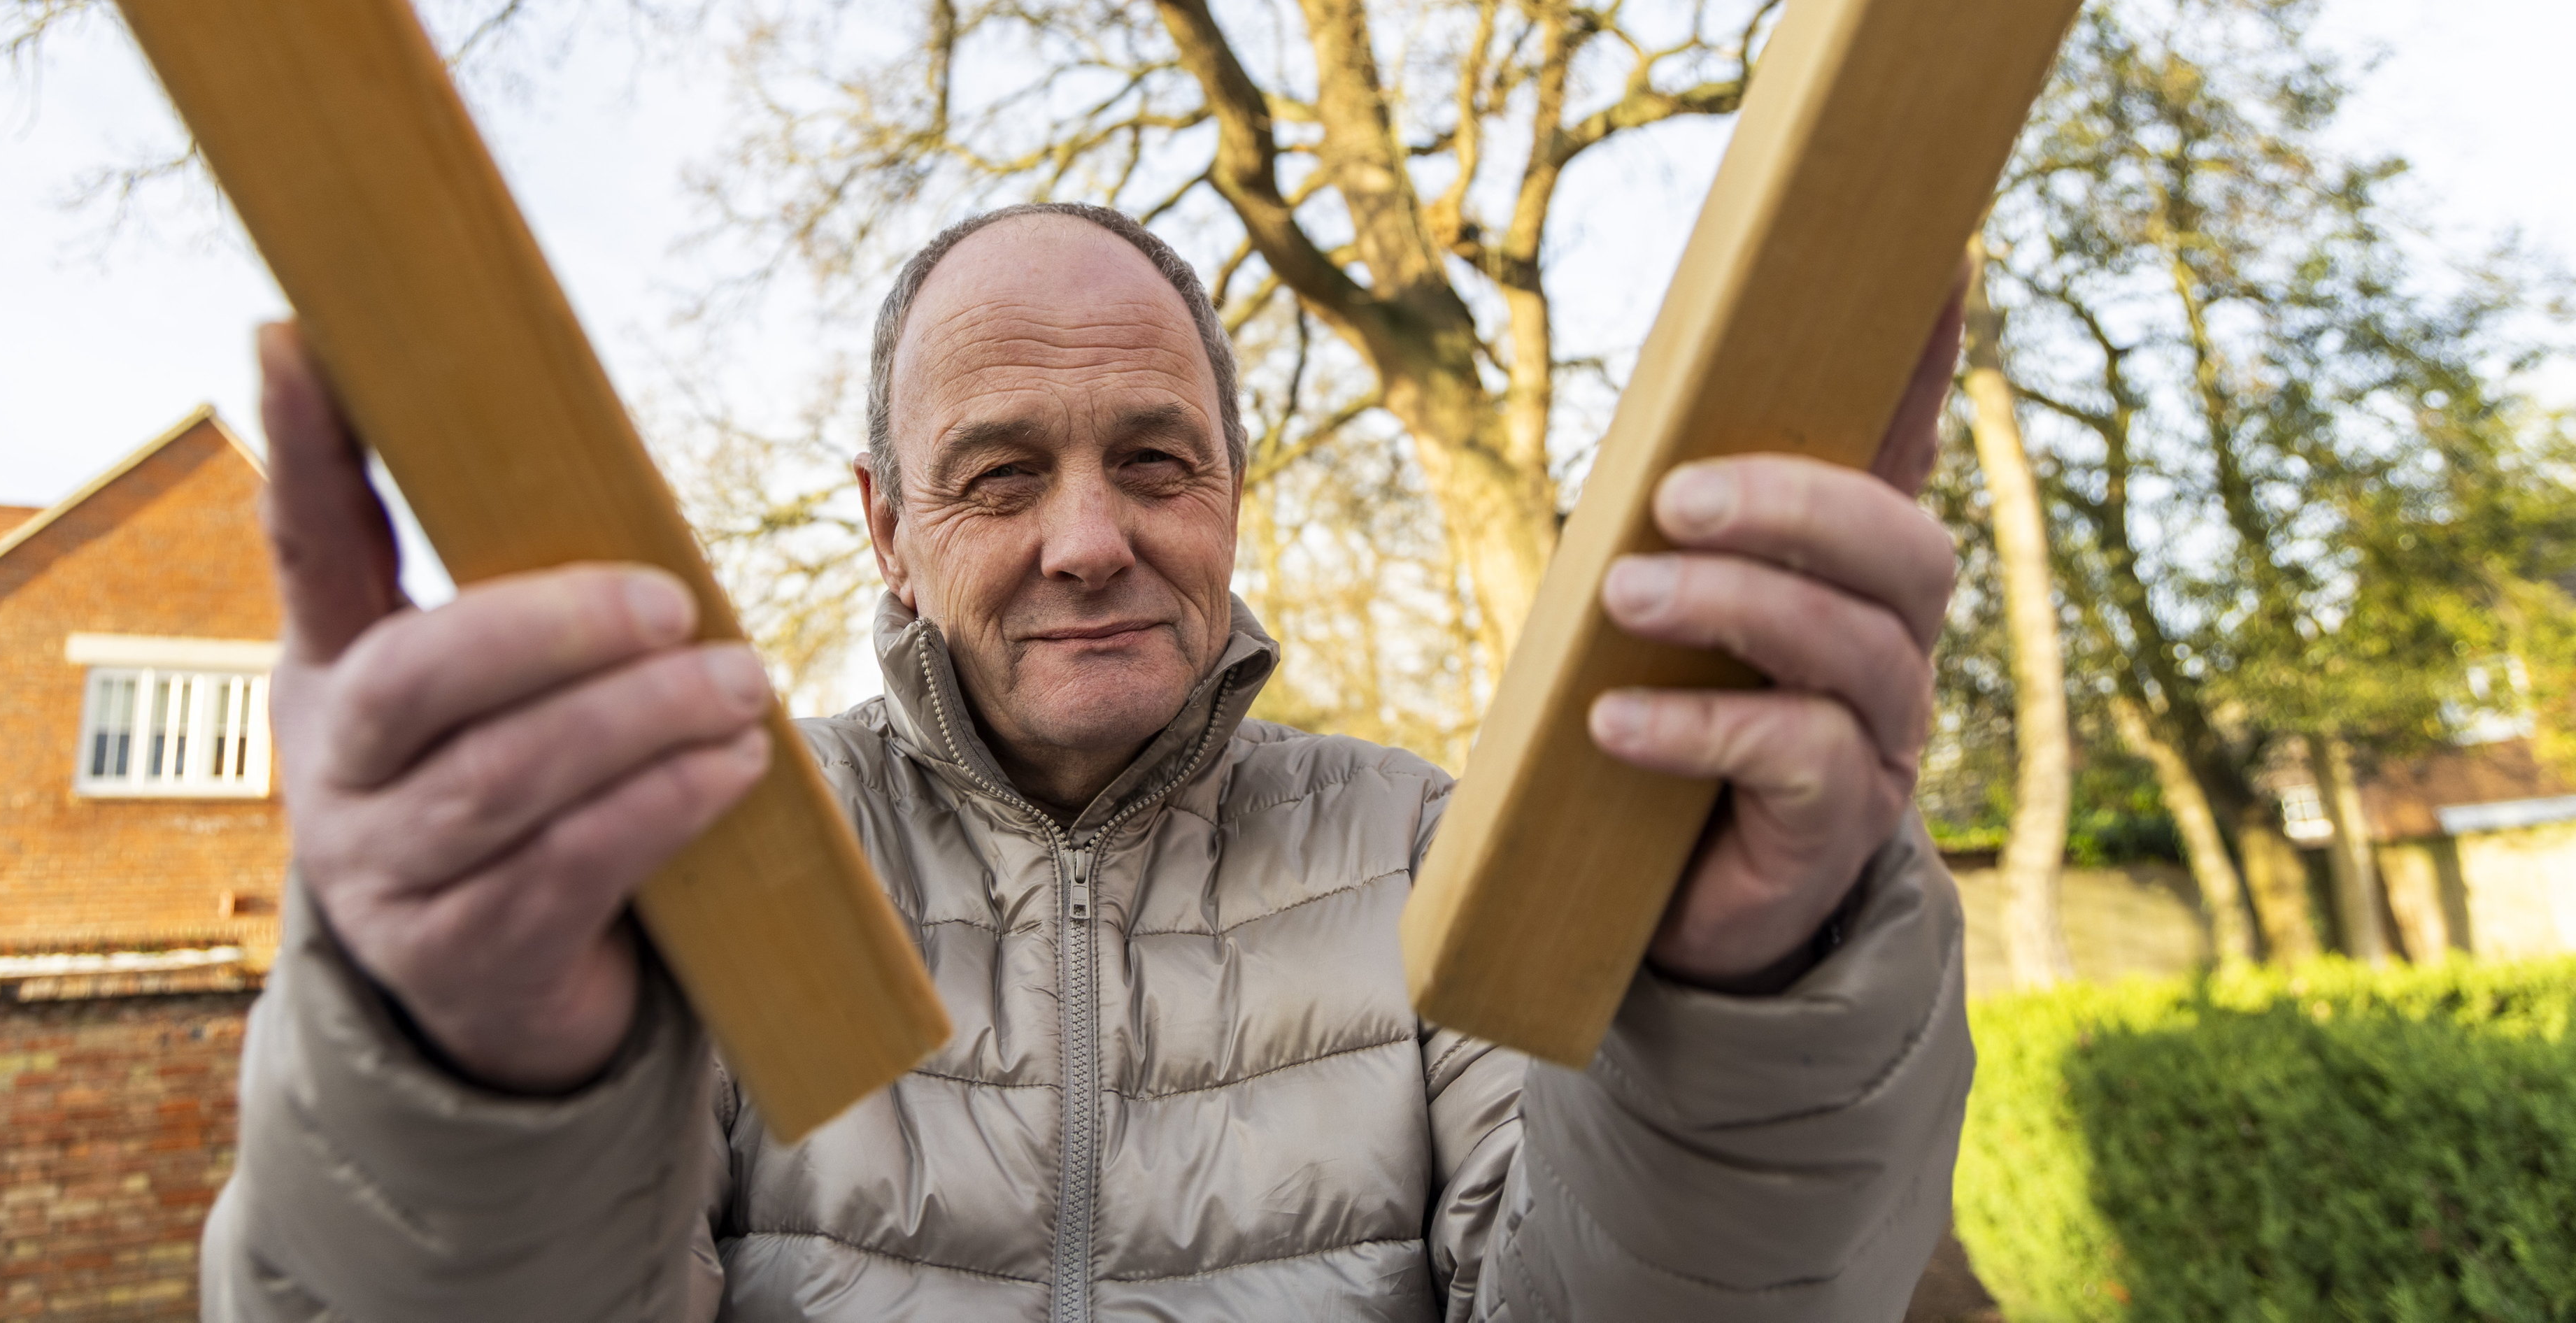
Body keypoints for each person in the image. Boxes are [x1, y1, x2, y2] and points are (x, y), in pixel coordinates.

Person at [201, 202, 1971, 1322]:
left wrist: (1752, 1005)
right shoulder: (714, 853)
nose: (1085, 538)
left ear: (1227, 494)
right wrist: (459, 1089)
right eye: (994, 475)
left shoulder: (1429, 849)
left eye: (1151, 458)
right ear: (885, 529)